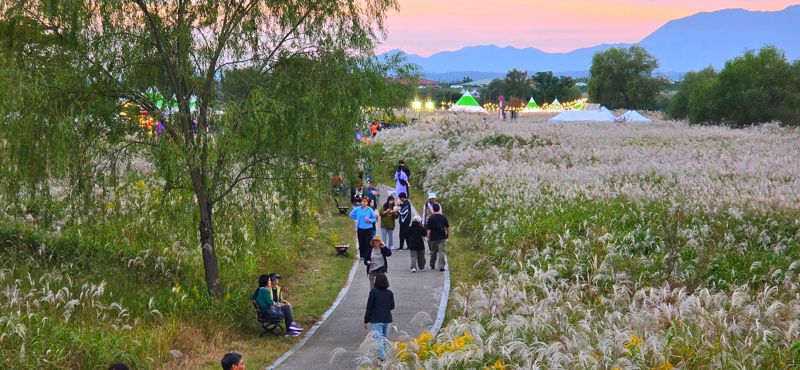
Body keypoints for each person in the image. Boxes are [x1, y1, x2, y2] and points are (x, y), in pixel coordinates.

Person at [363, 273, 394, 362]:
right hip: (387, 319)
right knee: (384, 340)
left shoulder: (373, 292)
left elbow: (369, 307)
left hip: (376, 319)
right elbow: (392, 306)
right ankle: (383, 358)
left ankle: (385, 359)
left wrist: (366, 320)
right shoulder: (390, 293)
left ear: (376, 282)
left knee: (378, 340)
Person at [426, 203, 450, 272]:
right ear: (439, 209)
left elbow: (429, 230)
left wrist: (427, 237)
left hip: (433, 238)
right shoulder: (443, 217)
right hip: (442, 237)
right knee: (441, 252)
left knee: (433, 252)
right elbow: (447, 227)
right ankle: (441, 266)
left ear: (433, 209)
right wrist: (448, 233)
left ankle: (432, 264)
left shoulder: (431, 218)